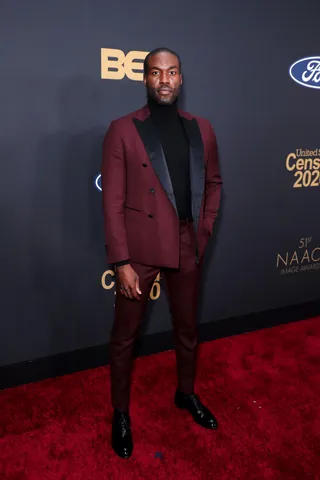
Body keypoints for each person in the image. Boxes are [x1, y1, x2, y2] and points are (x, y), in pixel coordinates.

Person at [101, 47, 222, 459]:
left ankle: (186, 393)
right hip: (139, 253)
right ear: (146, 79)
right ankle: (120, 413)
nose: (165, 79)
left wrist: (203, 229)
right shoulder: (123, 129)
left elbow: (215, 184)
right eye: (156, 73)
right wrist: (121, 262)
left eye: (171, 72)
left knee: (187, 330)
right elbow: (112, 201)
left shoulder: (202, 128)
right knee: (124, 338)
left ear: (181, 79)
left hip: (188, 245)